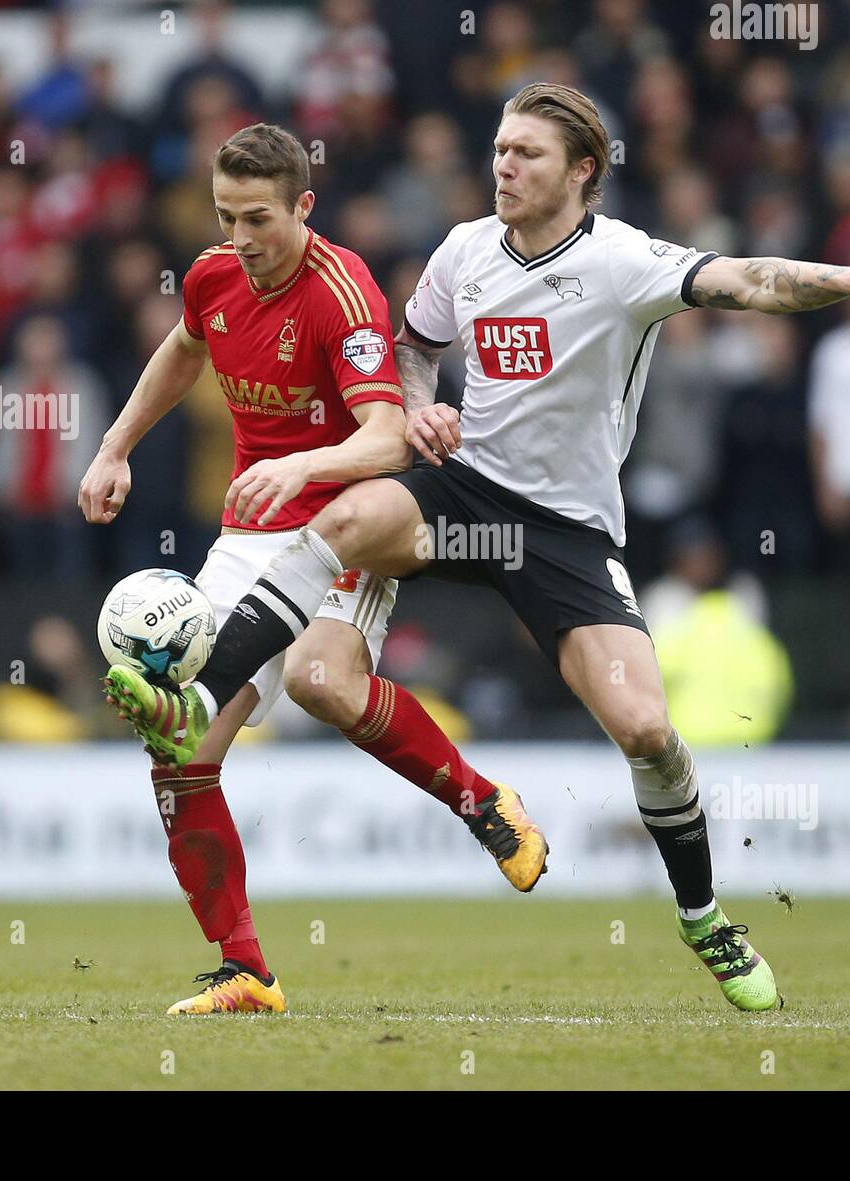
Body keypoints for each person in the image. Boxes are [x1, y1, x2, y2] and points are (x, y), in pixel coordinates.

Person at [111, 84, 850, 1012]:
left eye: (528, 154)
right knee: (340, 522)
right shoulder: (464, 249)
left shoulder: (623, 260)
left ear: (584, 171)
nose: (503, 166)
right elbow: (416, 350)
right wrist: (426, 404)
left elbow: (745, 279)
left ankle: (704, 915)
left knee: (645, 730)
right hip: (465, 489)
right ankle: (197, 700)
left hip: (564, 530)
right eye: (501, 149)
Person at [78, 124, 546, 1017]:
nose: (241, 238)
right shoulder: (215, 274)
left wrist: (300, 466)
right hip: (252, 531)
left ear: (303, 205)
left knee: (322, 678)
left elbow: (384, 435)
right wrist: (114, 447)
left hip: (343, 520)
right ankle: (245, 970)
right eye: (225, 217)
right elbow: (185, 347)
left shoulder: (342, 292)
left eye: (259, 218)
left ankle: (483, 801)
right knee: (180, 752)